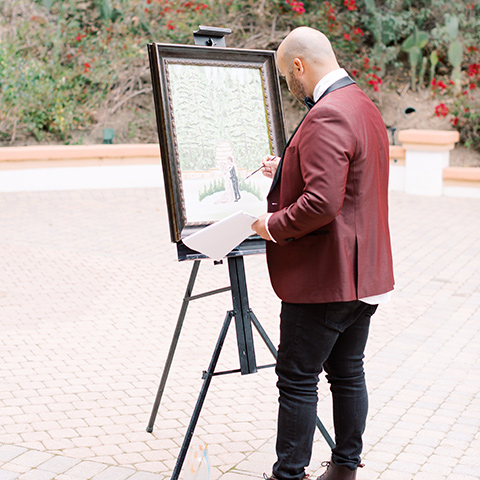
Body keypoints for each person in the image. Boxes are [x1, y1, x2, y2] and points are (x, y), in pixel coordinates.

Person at [251, 27, 394, 480]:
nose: (288, 88)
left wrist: (270, 226)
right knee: (348, 373)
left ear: (298, 65)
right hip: (363, 276)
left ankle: (289, 474)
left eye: (285, 76)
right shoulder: (362, 105)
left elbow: (322, 203)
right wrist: (285, 170)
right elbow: (348, 180)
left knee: (297, 380)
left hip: (324, 279)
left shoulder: (327, 113)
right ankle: (346, 467)